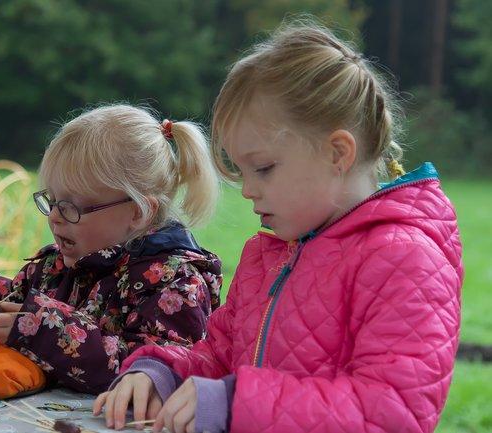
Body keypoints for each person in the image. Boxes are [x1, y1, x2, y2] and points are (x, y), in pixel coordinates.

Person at [96, 20, 463, 433]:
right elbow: (219, 359)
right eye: (242, 172)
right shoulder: (268, 255)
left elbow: (392, 414)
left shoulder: (404, 258)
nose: (249, 190)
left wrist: (237, 403)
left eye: (264, 168)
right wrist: (159, 374)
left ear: (336, 152)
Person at [0, 104, 223, 394]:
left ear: (138, 211)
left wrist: (40, 329)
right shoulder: (53, 268)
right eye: (52, 201)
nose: (56, 217)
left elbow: (153, 372)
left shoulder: (177, 285)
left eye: (71, 206)